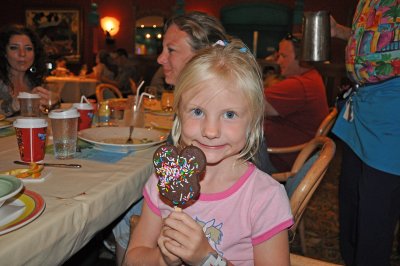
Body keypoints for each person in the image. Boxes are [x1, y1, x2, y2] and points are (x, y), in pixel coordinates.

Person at [111, 11, 277, 265]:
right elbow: (134, 258)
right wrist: (163, 258)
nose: (211, 131)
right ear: (178, 113)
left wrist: (206, 258)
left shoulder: (265, 197)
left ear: (253, 120)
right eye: (198, 111)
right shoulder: (164, 181)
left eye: (230, 114)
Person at [330, 1, 400, 265]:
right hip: (361, 109)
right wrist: (341, 32)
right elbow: (379, 39)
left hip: (392, 114)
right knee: (352, 214)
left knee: (374, 224)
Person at [264, 33, 329, 172]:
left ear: (302, 58)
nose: (278, 61)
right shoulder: (312, 77)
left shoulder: (300, 85)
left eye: (284, 56)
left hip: (277, 158)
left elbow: (250, 106)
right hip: (292, 155)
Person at [0, 24, 50, 117]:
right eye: (14, 47)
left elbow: (46, 112)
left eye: (28, 48)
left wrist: (50, 103)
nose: (22, 54)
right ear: (4, 52)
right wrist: (16, 104)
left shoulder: (34, 81)